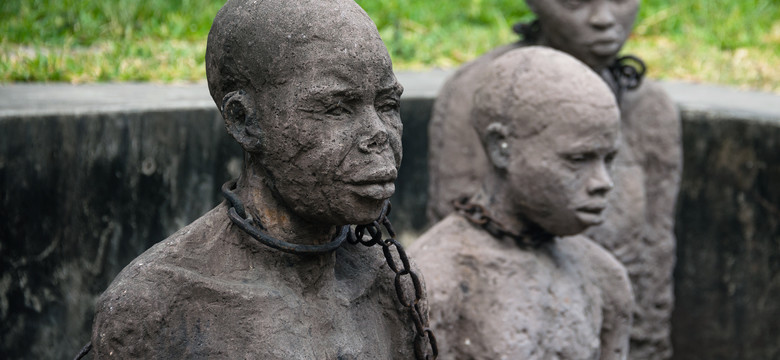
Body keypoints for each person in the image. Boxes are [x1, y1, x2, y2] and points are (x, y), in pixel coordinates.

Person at [89, 0, 435, 358]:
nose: (378, 135)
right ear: (244, 121)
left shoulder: (392, 287)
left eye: (387, 105)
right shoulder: (158, 308)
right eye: (336, 108)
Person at [426, 1, 681, 358]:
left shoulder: (651, 108)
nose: (604, 19)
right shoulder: (477, 94)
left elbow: (653, 264)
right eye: (576, 2)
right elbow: (462, 232)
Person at [412, 47, 633, 360]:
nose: (603, 182)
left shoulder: (606, 280)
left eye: (608, 159)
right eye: (578, 159)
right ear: (501, 148)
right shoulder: (438, 280)